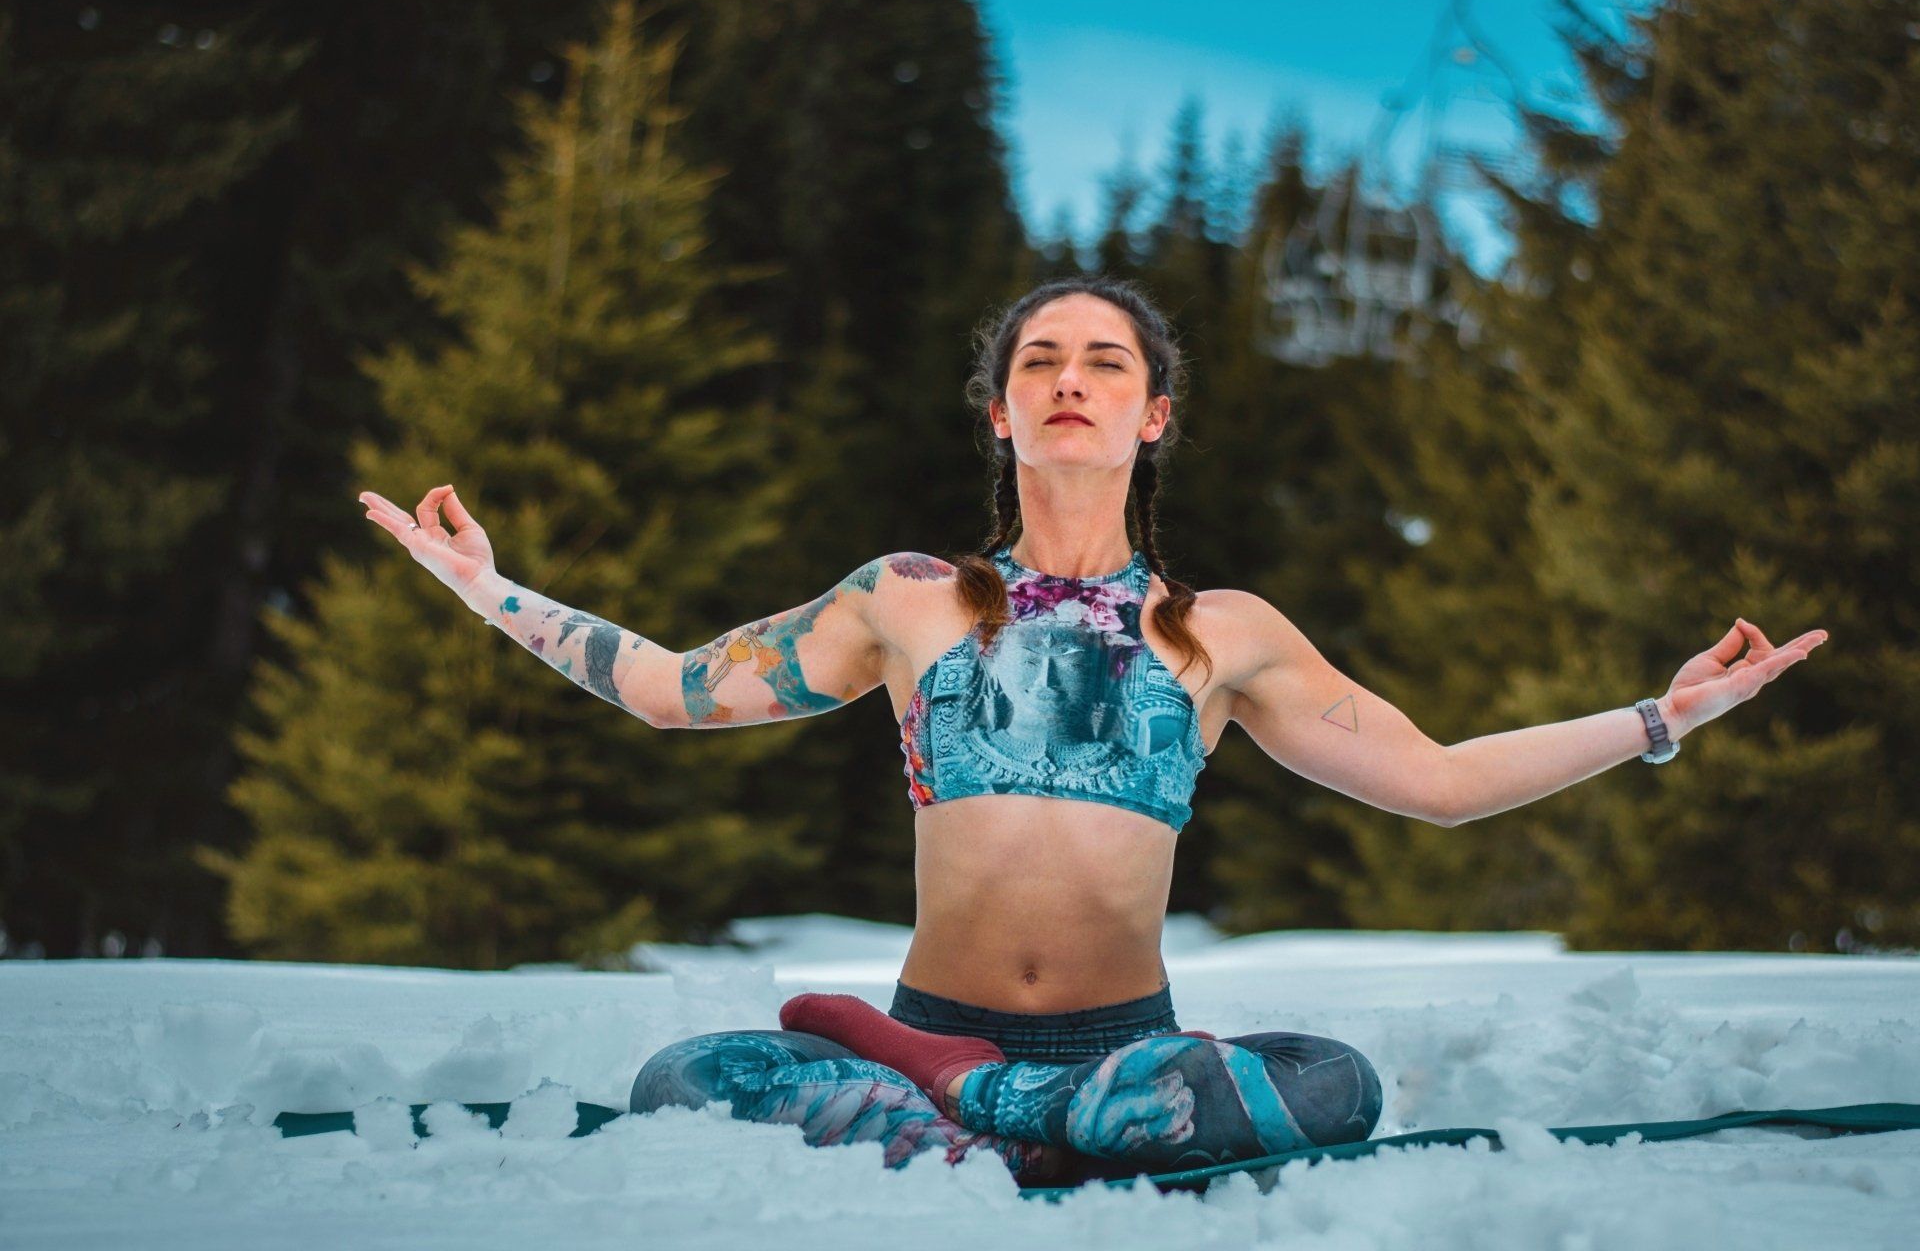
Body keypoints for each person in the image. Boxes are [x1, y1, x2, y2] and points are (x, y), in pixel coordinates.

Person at [359, 276, 1828, 1186]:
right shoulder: (906, 601)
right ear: (1000, 413)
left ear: (1155, 414)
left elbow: (1437, 783)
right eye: (1041, 361)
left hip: (1128, 1051)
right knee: (687, 1076)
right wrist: (493, 593)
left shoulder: (1224, 633)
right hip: (930, 1030)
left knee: (1341, 1081)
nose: (1071, 379)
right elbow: (676, 687)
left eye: (1106, 362)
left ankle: (987, 1121)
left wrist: (1658, 717)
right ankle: (1002, 1106)